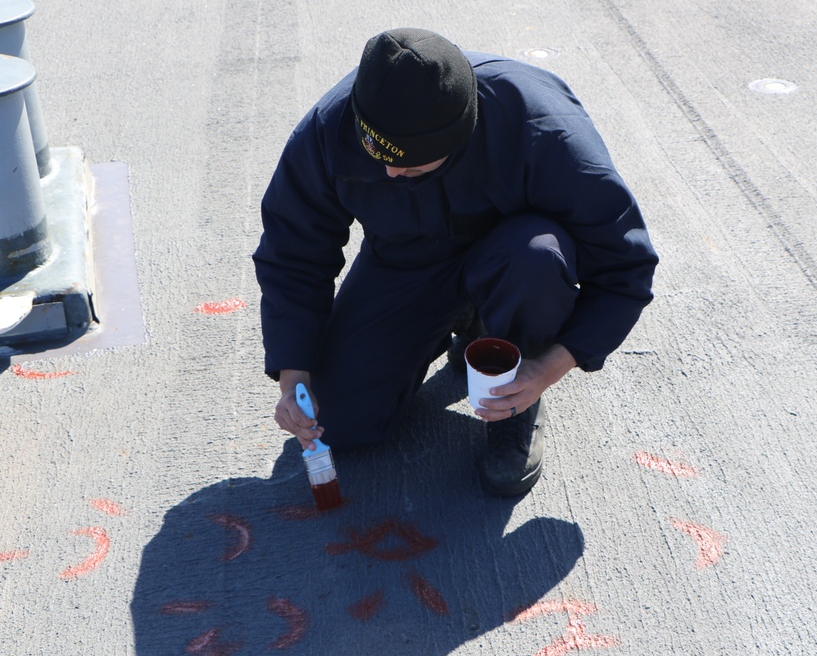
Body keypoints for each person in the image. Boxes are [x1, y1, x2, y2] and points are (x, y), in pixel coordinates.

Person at [253, 28, 658, 497]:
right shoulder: (329, 126)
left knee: (536, 258)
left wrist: (546, 368)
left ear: (460, 135)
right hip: (406, 260)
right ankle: (462, 323)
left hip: (514, 259)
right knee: (338, 422)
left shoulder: (542, 125)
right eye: (376, 156)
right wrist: (293, 374)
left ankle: (512, 386)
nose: (389, 174)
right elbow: (293, 251)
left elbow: (626, 267)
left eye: (411, 168)